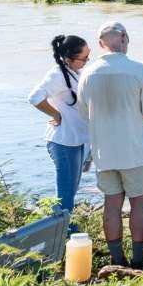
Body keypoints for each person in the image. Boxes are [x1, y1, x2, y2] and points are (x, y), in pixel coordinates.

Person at [77, 22, 143, 270]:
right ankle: (138, 262)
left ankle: (116, 260)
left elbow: (84, 114)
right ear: (124, 37)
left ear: (101, 43)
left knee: (111, 206)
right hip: (135, 151)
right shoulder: (139, 70)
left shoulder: (88, 74)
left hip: (104, 153)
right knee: (139, 205)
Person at [28, 34, 90, 218]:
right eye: (84, 58)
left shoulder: (76, 71)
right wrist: (55, 113)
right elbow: (34, 97)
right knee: (65, 194)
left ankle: (66, 229)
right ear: (69, 59)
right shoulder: (56, 75)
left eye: (88, 56)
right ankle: (64, 234)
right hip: (63, 142)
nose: (87, 61)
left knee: (72, 190)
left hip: (78, 140)